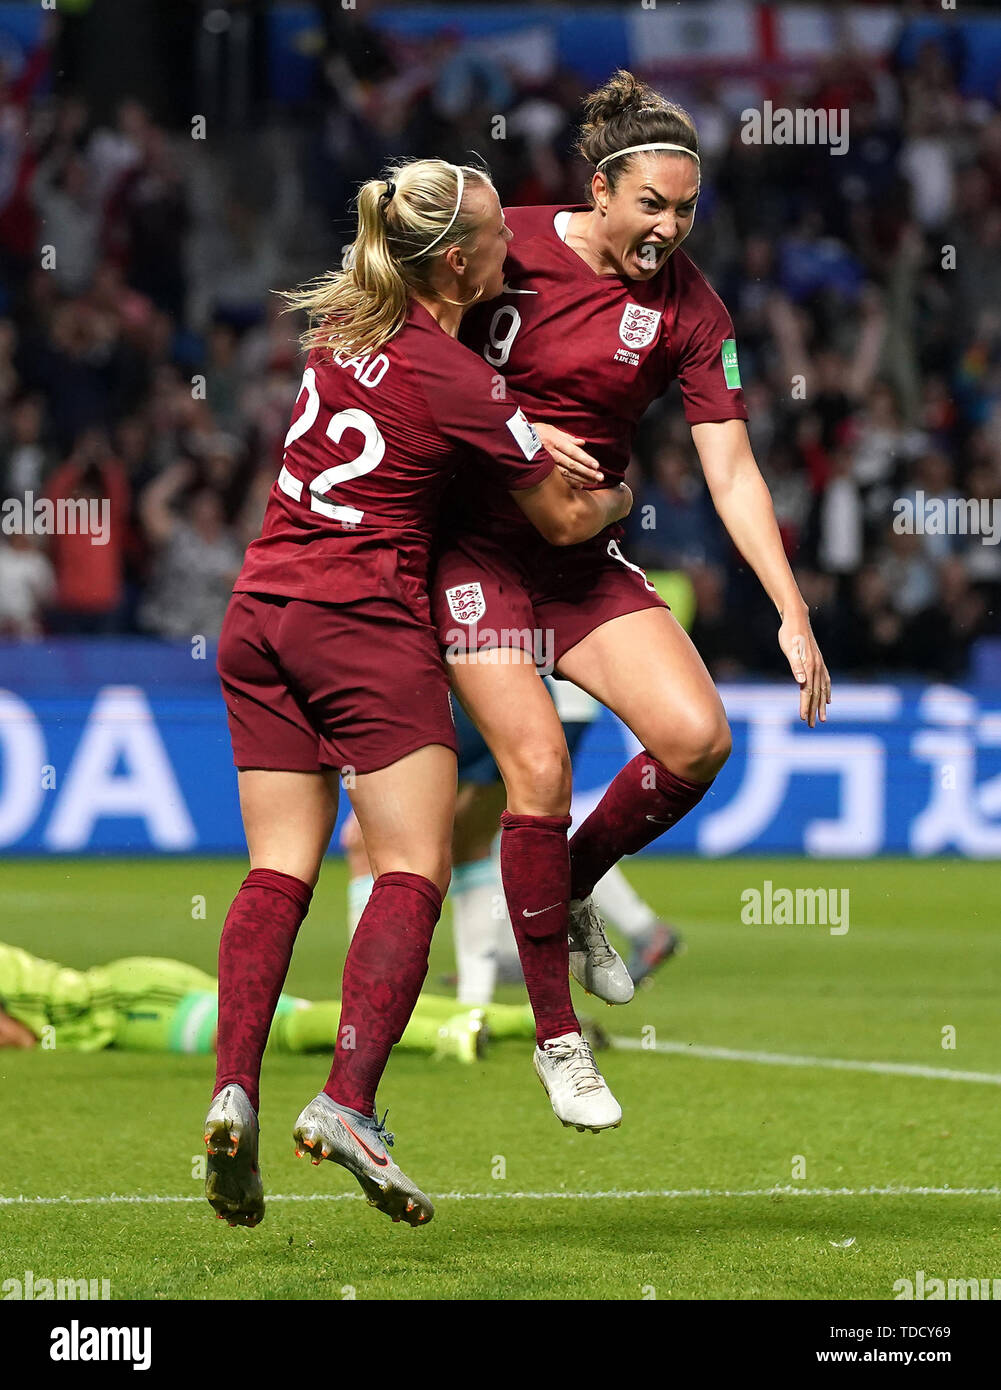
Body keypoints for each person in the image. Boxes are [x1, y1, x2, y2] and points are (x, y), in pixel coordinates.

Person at [206, 157, 631, 1230]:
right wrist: (625, 479)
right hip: (361, 618)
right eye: (497, 236)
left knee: (276, 869)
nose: (515, 249)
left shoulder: (337, 325)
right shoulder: (461, 378)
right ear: (456, 261)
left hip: (259, 611)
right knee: (413, 864)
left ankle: (233, 1089)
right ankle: (349, 1100)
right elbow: (566, 520)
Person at [429, 72, 831, 1057]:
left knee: (696, 740)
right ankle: (551, 1038)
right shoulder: (502, 240)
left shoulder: (694, 312)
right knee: (527, 772)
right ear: (597, 191)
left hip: (577, 559)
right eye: (649, 204)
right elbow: (414, 350)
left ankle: (565, 886)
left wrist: (789, 606)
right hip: (471, 555)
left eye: (686, 208)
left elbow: (730, 470)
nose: (667, 227)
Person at [0, 941, 500, 1063]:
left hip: (128, 1002)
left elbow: (18, 1038)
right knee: (294, 1016)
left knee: (268, 1028)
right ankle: (518, 1023)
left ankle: (446, 1035)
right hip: (126, 991)